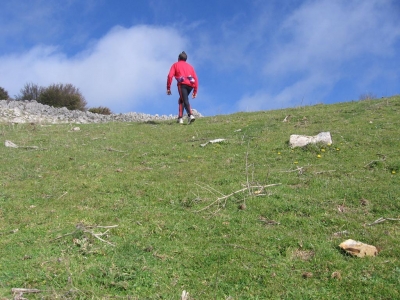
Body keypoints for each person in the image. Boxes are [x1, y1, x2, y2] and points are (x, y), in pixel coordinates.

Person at [166, 51, 198, 124]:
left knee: (184, 99)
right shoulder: (190, 67)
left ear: (178, 58)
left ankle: (191, 115)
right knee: (181, 99)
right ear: (185, 59)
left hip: (182, 84)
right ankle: (180, 118)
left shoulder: (175, 65)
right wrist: (195, 91)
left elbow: (170, 76)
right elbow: (195, 78)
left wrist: (168, 88)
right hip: (191, 85)